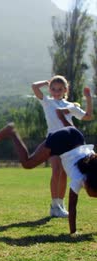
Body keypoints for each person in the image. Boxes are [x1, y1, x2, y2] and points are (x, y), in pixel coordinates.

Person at [0, 123, 97, 235]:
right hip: (62, 140)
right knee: (27, 163)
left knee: (60, 169)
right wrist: (73, 232)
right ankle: (12, 131)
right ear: (89, 184)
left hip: (75, 135)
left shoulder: (93, 170)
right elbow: (72, 207)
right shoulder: (78, 178)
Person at [31, 76, 93, 218]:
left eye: (60, 89)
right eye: (53, 89)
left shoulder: (70, 106)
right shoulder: (47, 102)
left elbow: (88, 116)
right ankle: (54, 205)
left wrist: (88, 98)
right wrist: (46, 82)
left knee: (64, 173)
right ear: (50, 90)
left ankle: (60, 204)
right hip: (53, 140)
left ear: (65, 89)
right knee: (56, 170)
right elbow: (34, 86)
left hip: (68, 143)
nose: (56, 91)